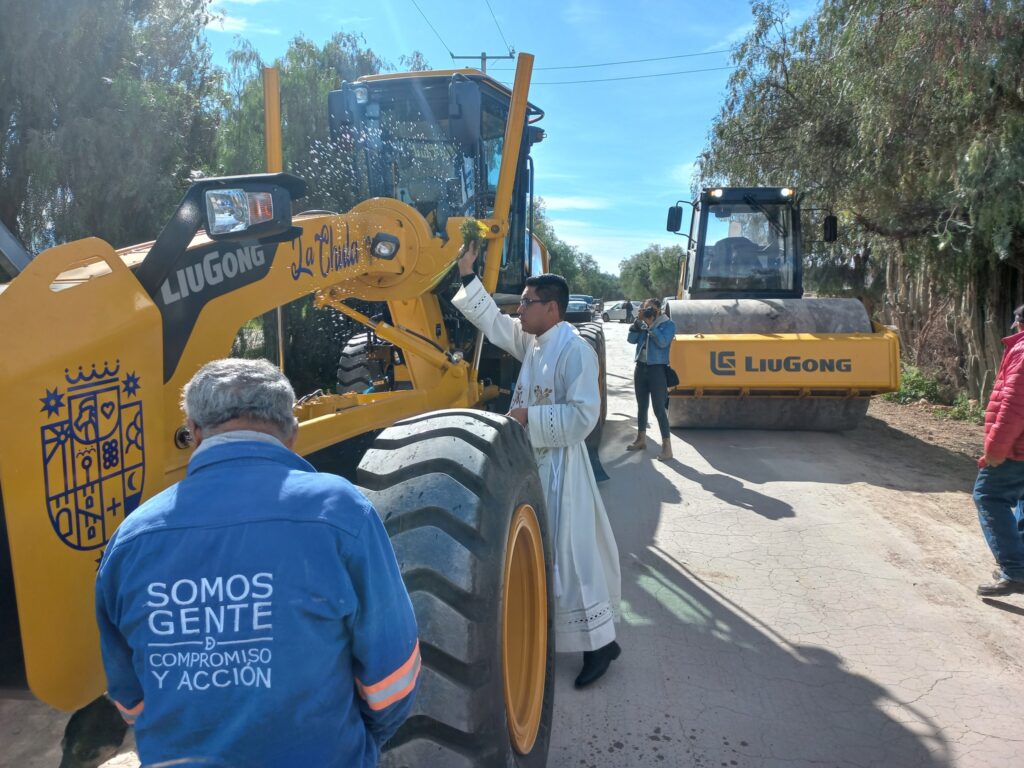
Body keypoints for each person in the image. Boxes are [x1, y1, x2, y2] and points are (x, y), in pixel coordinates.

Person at [95, 358, 420, 767]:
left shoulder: (131, 538)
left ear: (194, 432)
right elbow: (393, 677)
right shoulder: (340, 513)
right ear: (293, 432)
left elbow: (129, 695)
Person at [453, 242, 622, 688]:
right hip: (533, 463)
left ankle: (601, 646)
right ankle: (555, 636)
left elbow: (586, 416)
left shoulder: (574, 350)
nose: (520, 309)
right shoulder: (533, 342)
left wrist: (531, 418)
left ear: (552, 308)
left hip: (564, 470)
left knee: (572, 556)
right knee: (541, 555)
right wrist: (468, 275)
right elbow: (491, 322)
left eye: (527, 303)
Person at [974, 305, 1024, 596]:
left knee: (988, 495)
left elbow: (1014, 407)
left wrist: (995, 449)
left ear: (1018, 323)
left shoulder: (1021, 352)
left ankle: (1015, 571)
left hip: (1016, 449)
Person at [626, 299, 677, 461]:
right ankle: (641, 440)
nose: (649, 312)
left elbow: (663, 343)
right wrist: (637, 324)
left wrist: (652, 325)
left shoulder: (668, 324)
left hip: (657, 370)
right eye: (646, 309)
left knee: (659, 409)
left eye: (652, 310)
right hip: (641, 367)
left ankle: (667, 447)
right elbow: (631, 340)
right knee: (642, 406)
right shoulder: (642, 323)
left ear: (659, 310)